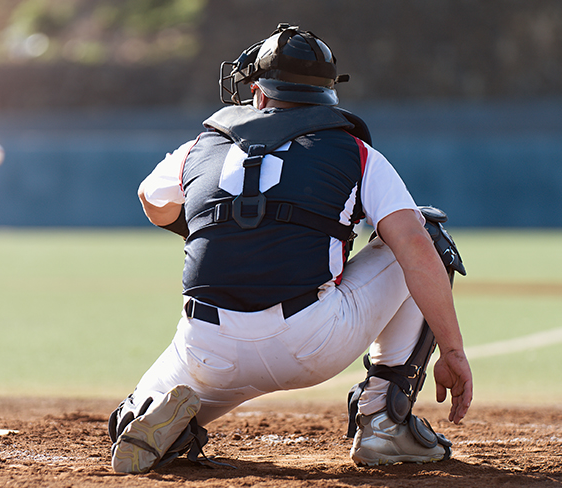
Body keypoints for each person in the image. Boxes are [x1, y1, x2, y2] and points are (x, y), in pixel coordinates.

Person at [107, 23, 473, 473]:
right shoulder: (355, 152)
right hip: (310, 341)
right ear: (326, 94)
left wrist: (215, 227)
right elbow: (415, 247)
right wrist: (452, 352)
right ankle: (384, 420)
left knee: (130, 422)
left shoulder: (199, 147)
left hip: (207, 344)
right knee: (428, 237)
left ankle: (160, 419)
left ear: (258, 92)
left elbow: (152, 200)